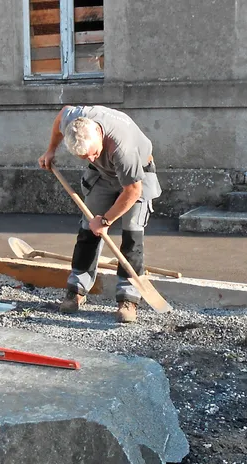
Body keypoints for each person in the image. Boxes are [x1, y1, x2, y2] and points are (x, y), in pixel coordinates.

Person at [38, 105, 161, 323]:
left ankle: (128, 297)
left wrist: (105, 221)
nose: (92, 158)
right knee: (88, 230)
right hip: (103, 177)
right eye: (85, 157)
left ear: (98, 133)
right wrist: (50, 150)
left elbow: (132, 191)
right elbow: (61, 115)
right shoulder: (73, 120)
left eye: (94, 152)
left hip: (135, 178)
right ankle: (76, 288)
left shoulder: (123, 149)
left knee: (132, 234)